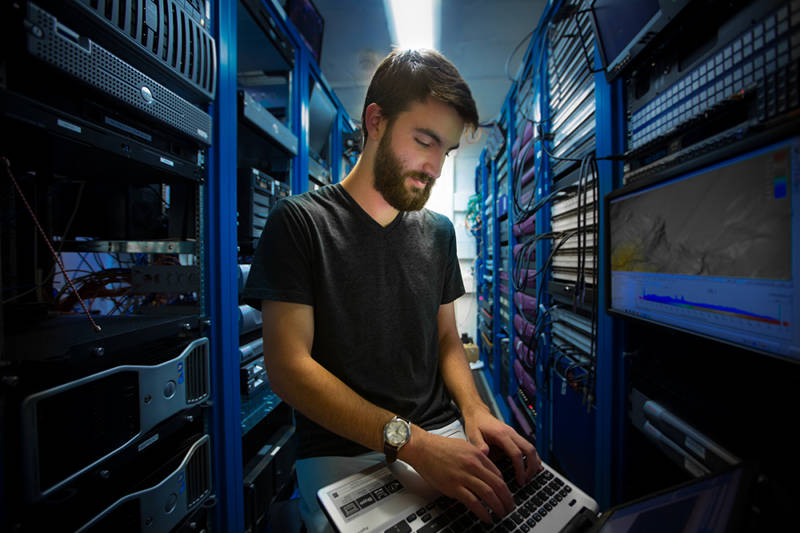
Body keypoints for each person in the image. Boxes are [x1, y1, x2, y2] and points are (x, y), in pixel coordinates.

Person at [243, 48, 541, 532]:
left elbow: (446, 339)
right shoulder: (300, 222)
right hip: (345, 453)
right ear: (376, 121)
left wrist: (474, 409)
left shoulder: (439, 232)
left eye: (444, 152)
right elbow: (288, 370)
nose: (434, 168)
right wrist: (416, 446)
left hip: (440, 432)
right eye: (424, 141)